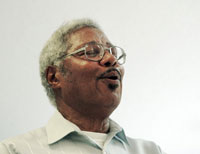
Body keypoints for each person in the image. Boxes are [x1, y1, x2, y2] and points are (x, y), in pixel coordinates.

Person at [0, 18, 166, 154]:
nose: (111, 59)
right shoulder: (14, 150)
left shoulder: (150, 151)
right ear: (54, 77)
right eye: (92, 52)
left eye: (113, 53)